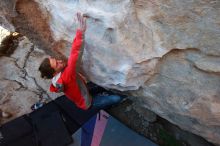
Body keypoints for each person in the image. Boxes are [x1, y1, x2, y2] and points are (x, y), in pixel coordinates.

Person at [38, 12, 123, 110]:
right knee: (116, 98)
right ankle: (118, 101)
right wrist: (80, 32)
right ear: (54, 73)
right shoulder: (66, 77)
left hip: (83, 93)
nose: (60, 61)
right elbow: (75, 55)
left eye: (56, 60)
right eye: (57, 64)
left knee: (100, 88)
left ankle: (103, 97)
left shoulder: (56, 80)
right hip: (88, 103)